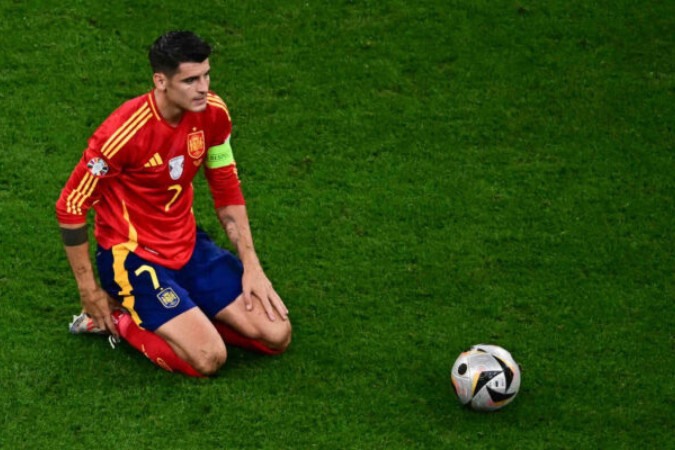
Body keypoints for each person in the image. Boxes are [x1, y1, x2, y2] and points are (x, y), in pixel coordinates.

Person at [56, 31, 291, 377]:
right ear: (161, 81)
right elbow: (71, 205)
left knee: (277, 335)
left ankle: (188, 314)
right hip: (132, 257)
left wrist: (252, 265)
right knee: (209, 358)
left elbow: (226, 189)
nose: (203, 88)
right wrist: (88, 289)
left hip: (189, 246)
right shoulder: (123, 132)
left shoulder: (213, 113)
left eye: (207, 75)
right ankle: (117, 318)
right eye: (191, 80)